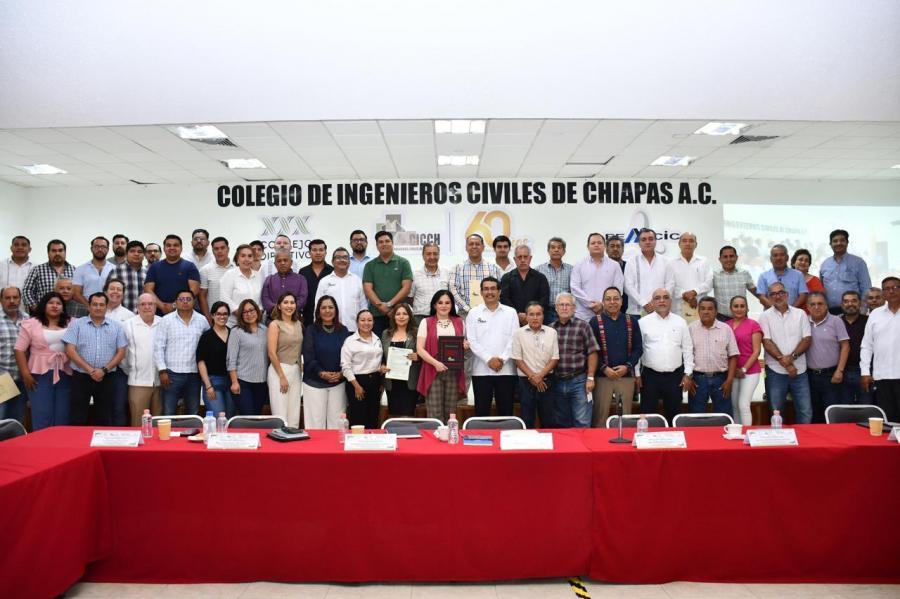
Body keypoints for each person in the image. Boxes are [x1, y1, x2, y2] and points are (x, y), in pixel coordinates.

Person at [63, 292, 127, 425]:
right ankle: (78, 439)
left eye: (101, 305)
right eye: (95, 304)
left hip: (107, 377)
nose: (98, 307)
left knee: (104, 416)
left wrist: (103, 370)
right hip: (81, 376)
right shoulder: (76, 324)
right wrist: (90, 370)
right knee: (78, 415)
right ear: (89, 306)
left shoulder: (117, 327)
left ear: (106, 307)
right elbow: (70, 350)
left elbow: (121, 352)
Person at [14, 291, 72, 429]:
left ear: (63, 307)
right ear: (44, 305)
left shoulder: (72, 322)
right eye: (51, 303)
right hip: (39, 375)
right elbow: (19, 349)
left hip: (66, 374)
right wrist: (25, 374)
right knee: (42, 415)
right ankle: (42, 443)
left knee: (63, 415)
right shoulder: (31, 323)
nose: (55, 306)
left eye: (58, 303)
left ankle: (61, 443)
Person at [637, 288, 695, 422]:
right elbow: (637, 350)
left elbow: (687, 349)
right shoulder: (643, 322)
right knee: (648, 416)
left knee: (674, 415)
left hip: (674, 377)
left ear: (671, 301)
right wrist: (637, 374)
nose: (662, 301)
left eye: (665, 297)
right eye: (657, 298)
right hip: (649, 377)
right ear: (652, 302)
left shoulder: (680, 322)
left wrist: (688, 374)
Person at [759, 281, 813, 424]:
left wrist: (792, 357)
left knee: (805, 411)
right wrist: (787, 364)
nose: (778, 296)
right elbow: (766, 341)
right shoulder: (765, 316)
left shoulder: (800, 314)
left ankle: (804, 438)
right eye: (773, 294)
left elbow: (807, 339)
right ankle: (779, 438)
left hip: (800, 371)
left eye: (781, 293)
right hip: (775, 372)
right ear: (769, 297)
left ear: (787, 294)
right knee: (776, 411)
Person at [589, 287, 642, 426]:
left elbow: (638, 348)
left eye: (616, 298)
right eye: (608, 299)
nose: (612, 302)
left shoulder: (632, 321)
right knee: (600, 417)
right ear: (603, 302)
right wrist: (604, 368)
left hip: (626, 376)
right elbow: (591, 350)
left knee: (626, 418)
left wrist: (627, 367)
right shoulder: (594, 322)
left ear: (622, 301)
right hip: (602, 377)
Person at [466, 277, 519, 417]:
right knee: (481, 413)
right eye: (486, 289)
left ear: (499, 291)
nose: (489, 292)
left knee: (506, 412)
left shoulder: (511, 312)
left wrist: (502, 360)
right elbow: (472, 340)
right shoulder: (473, 313)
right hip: (481, 370)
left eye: (493, 288)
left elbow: (514, 339)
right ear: (481, 292)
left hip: (506, 370)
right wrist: (489, 359)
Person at [154, 289, 209, 416]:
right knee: (168, 412)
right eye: (181, 299)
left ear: (194, 302)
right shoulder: (166, 320)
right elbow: (159, 347)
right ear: (176, 302)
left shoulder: (202, 320)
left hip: (194, 375)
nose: (185, 302)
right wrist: (162, 370)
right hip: (171, 374)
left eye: (188, 299)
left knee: (193, 413)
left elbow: (207, 346)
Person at [416, 290, 466, 423]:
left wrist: (465, 345)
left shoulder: (459, 322)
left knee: (451, 413)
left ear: (452, 305)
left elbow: (462, 345)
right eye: (440, 302)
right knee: (435, 414)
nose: (444, 305)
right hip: (433, 370)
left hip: (453, 372)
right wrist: (436, 363)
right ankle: (435, 437)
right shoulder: (426, 322)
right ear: (434, 305)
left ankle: (450, 436)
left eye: (447, 303)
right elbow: (420, 349)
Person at [550, 292, 599, 428]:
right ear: (556, 308)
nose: (564, 308)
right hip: (557, 382)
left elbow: (592, 352)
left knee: (582, 422)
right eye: (561, 305)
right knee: (561, 424)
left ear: (574, 308)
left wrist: (590, 378)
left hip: (579, 382)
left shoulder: (583, 326)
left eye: (568, 305)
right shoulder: (550, 329)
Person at [302, 295, 351, 428]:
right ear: (318, 311)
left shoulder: (343, 330)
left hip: (338, 382)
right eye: (323, 308)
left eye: (331, 307)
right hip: (314, 383)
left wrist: (342, 373)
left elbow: (349, 356)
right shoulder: (311, 330)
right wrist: (321, 373)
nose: (327, 310)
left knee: (337, 425)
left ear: (336, 310)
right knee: (315, 425)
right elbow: (308, 356)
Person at [511, 302, 559, 428]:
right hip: (526, 381)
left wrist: (540, 376)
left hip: (546, 381)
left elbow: (555, 358)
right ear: (526, 316)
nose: (535, 317)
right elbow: (517, 359)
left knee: (548, 419)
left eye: (538, 314)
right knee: (527, 419)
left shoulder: (552, 332)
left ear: (543, 316)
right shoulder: (518, 333)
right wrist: (533, 376)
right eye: (531, 314)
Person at [688, 297, 739, 415]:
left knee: (724, 416)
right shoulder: (691, 328)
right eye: (702, 309)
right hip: (697, 380)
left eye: (710, 309)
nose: (706, 312)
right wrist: (688, 377)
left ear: (716, 311)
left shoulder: (726, 329)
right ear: (698, 311)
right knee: (696, 417)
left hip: (721, 379)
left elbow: (733, 356)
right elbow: (686, 355)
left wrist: (729, 380)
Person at [805, 292, 850, 423]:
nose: (816, 307)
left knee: (831, 413)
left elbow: (845, 346)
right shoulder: (804, 321)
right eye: (813, 304)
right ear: (807, 307)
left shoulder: (836, 321)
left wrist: (840, 370)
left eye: (820, 304)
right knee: (814, 414)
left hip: (831, 375)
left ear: (826, 305)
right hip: (809, 376)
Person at [860, 276, 900, 422]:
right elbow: (867, 345)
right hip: (882, 376)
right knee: (888, 420)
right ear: (883, 293)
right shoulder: (875, 315)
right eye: (887, 289)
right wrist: (865, 372)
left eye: (895, 287)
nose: (891, 291)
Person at [341, 309, 386, 429]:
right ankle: (356, 441)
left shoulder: (377, 339)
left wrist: (381, 368)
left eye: (369, 320)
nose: (366, 323)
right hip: (356, 382)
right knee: (358, 418)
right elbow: (345, 367)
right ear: (357, 322)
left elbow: (378, 359)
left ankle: (372, 440)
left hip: (375, 381)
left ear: (373, 322)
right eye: (363, 320)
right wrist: (357, 386)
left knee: (373, 417)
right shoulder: (350, 341)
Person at [363, 231, 413, 337]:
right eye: (380, 242)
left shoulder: (403, 263)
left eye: (387, 241)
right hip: (376, 315)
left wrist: (389, 305)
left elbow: (407, 288)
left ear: (392, 243)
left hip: (399, 315)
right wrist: (383, 307)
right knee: (378, 345)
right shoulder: (370, 265)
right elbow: (368, 290)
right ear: (377, 245)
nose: (384, 244)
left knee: (400, 345)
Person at [121, 293, 161, 425]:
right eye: (143, 304)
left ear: (155, 306)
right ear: (137, 307)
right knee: (138, 423)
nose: (147, 307)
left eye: (150, 304)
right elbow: (123, 354)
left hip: (161, 382)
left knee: (159, 424)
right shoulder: (127, 325)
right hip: (138, 382)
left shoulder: (163, 323)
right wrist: (132, 370)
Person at [225, 298, 269, 415]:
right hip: (243, 382)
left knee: (256, 416)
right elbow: (231, 360)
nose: (249, 314)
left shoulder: (265, 330)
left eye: (251, 310)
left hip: (262, 382)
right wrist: (234, 382)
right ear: (241, 315)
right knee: (248, 416)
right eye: (245, 312)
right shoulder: (236, 331)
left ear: (257, 311)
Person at [267, 292, 303, 427]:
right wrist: (282, 376)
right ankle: (280, 438)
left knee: (294, 412)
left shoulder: (298, 324)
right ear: (279, 306)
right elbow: (271, 353)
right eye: (286, 302)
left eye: (292, 303)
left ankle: (293, 437)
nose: (289, 306)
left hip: (296, 370)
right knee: (281, 414)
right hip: (279, 370)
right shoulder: (275, 325)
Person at [726, 296, 763, 426]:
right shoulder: (726, 325)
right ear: (731, 308)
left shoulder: (753, 324)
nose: (739, 309)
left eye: (742, 306)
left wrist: (744, 369)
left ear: (747, 308)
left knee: (743, 405)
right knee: (735, 405)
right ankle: (737, 433)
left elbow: (756, 351)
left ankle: (747, 433)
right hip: (732, 371)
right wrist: (732, 370)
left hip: (750, 371)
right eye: (736, 306)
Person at [571, 233, 624, 322]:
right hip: (583, 314)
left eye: (599, 243)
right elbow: (574, 288)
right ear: (588, 247)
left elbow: (618, 289)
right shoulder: (579, 265)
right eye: (593, 243)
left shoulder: (614, 265)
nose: (596, 245)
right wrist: (591, 304)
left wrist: (602, 305)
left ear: (605, 246)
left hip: (607, 312)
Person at [380, 303, 421, 418]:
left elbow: (425, 352)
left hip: (410, 381)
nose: (401, 317)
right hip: (391, 381)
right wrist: (382, 366)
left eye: (405, 314)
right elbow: (381, 355)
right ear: (393, 316)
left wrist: (418, 356)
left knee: (408, 416)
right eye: (398, 314)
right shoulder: (386, 333)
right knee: (393, 416)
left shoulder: (416, 332)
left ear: (410, 316)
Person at [143, 234, 201, 315]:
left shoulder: (190, 266)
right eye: (168, 245)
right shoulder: (154, 267)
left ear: (181, 248)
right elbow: (148, 289)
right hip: (159, 314)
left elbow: (194, 290)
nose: (172, 248)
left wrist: (175, 305)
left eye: (175, 245)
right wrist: (162, 306)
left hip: (184, 313)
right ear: (164, 248)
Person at [820, 229, 871, 315]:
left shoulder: (858, 262)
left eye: (842, 240)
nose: (838, 243)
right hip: (829, 312)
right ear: (830, 244)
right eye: (835, 241)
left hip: (853, 311)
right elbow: (821, 288)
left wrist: (863, 309)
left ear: (847, 243)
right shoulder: (825, 264)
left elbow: (866, 287)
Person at [624, 228, 674, 317]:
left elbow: (670, 284)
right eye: (644, 239)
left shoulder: (666, 262)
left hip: (660, 310)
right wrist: (644, 303)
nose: (647, 242)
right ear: (639, 243)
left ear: (655, 241)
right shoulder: (631, 261)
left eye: (651, 239)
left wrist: (658, 302)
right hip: (636, 312)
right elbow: (628, 286)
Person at [450, 233, 501, 319]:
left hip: (490, 313)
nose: (474, 246)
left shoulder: (493, 268)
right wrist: (468, 309)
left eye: (477, 244)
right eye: (471, 244)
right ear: (466, 247)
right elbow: (453, 291)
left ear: (483, 247)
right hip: (465, 314)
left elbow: (497, 290)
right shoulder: (457, 268)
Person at [196, 301, 234, 418]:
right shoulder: (206, 336)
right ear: (212, 315)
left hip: (231, 381)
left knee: (230, 419)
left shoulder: (234, 334)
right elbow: (201, 362)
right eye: (218, 314)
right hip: (213, 382)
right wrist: (208, 386)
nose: (222, 317)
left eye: (225, 314)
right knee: (219, 418)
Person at [315, 247, 366, 332]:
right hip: (330, 330)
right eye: (338, 257)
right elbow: (318, 306)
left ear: (349, 261)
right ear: (332, 261)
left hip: (354, 329)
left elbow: (363, 306)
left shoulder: (357, 281)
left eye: (345, 257)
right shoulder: (324, 281)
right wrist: (318, 329)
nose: (342, 260)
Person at [501, 244, 550, 325]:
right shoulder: (506, 278)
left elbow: (544, 300)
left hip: (536, 321)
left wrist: (530, 315)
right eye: (519, 257)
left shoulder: (540, 278)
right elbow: (504, 299)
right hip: (512, 321)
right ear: (515, 259)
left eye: (525, 257)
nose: (523, 260)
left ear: (530, 258)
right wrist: (517, 314)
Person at [23, 239, 75, 314]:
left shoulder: (75, 270)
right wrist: (36, 308)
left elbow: (77, 292)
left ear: (65, 252)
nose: (57, 253)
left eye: (60, 250)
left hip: (68, 314)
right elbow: (27, 290)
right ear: (48, 253)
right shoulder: (38, 270)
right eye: (53, 251)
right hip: (42, 315)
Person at [671, 232, 713, 323]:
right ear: (679, 244)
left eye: (691, 241)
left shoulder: (704, 261)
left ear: (696, 244)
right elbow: (670, 284)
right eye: (684, 241)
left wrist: (694, 292)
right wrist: (684, 294)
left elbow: (709, 282)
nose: (688, 243)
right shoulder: (671, 262)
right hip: (678, 308)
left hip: (699, 306)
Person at [0, 286, 28, 422]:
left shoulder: (28, 319)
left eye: (15, 297)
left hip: (23, 378)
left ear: (20, 299)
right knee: (2, 417)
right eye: (7, 298)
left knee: (17, 420)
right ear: (1, 300)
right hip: (2, 377)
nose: (12, 301)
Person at [839, 291, 872, 405]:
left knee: (866, 407)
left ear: (860, 303)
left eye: (854, 301)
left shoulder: (869, 321)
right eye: (846, 301)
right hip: (842, 372)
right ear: (842, 304)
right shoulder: (837, 322)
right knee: (844, 408)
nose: (850, 304)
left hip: (864, 372)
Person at [220, 244, 264, 327]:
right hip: (234, 324)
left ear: (253, 259)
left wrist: (256, 314)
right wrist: (243, 314)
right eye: (243, 256)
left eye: (250, 256)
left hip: (255, 323)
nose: (246, 259)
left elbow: (261, 300)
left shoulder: (259, 276)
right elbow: (225, 298)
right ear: (237, 259)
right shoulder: (229, 275)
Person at [757, 244, 808, 310]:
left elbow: (803, 295)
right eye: (775, 255)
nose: (778, 258)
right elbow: (761, 297)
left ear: (787, 257)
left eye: (782, 255)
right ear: (770, 259)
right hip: (770, 315)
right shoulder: (763, 276)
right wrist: (775, 312)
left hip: (794, 314)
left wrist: (790, 311)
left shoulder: (798, 275)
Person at [535, 236, 573, 324]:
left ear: (564, 251)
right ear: (548, 251)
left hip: (566, 310)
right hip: (546, 311)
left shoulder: (571, 270)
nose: (556, 250)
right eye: (553, 247)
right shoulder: (539, 270)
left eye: (559, 247)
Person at [713, 245, 756, 321]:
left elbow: (756, 292)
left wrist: (768, 303)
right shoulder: (714, 275)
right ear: (720, 259)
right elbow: (704, 288)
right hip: (721, 318)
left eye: (731, 256)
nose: (728, 259)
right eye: (725, 257)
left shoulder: (744, 273)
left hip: (742, 317)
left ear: (736, 257)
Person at [261, 250, 308, 319]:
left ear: (291, 262)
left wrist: (288, 309)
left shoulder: (301, 279)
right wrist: (279, 310)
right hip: (273, 319)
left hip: (295, 319)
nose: (282, 263)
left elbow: (302, 299)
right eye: (279, 261)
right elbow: (265, 299)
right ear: (275, 264)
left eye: (285, 260)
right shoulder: (269, 279)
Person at [298, 239, 334, 327]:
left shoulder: (332, 271)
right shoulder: (303, 272)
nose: (318, 253)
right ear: (309, 253)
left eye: (321, 250)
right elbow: (300, 295)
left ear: (325, 252)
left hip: (329, 316)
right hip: (308, 317)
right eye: (314, 250)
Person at [410, 243, 449, 322]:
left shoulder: (447, 273)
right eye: (428, 254)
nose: (432, 257)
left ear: (439, 255)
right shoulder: (415, 274)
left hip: (442, 317)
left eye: (435, 254)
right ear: (423, 256)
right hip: (420, 318)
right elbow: (410, 297)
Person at [73, 237, 115, 307]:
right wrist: (90, 307)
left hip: (109, 309)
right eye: (96, 247)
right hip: (86, 309)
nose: (100, 249)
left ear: (107, 249)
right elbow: (76, 294)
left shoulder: (115, 269)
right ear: (91, 249)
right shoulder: (80, 269)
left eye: (103, 247)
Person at [199, 236, 233, 321]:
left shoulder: (236, 268)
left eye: (222, 248)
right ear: (212, 251)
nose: (219, 251)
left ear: (228, 249)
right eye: (216, 249)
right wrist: (208, 318)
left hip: (234, 318)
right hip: (214, 318)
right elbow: (202, 297)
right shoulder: (205, 270)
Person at [109, 240, 146, 312]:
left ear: (144, 255)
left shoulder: (148, 272)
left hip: (143, 315)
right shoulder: (116, 271)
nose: (136, 254)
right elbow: (108, 294)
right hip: (121, 315)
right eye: (132, 251)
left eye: (139, 252)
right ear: (126, 254)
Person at [790, 248, 824, 313]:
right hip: (790, 315)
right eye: (800, 260)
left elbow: (821, 300)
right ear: (793, 263)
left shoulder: (815, 280)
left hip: (811, 316)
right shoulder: (786, 279)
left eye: (806, 261)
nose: (803, 262)